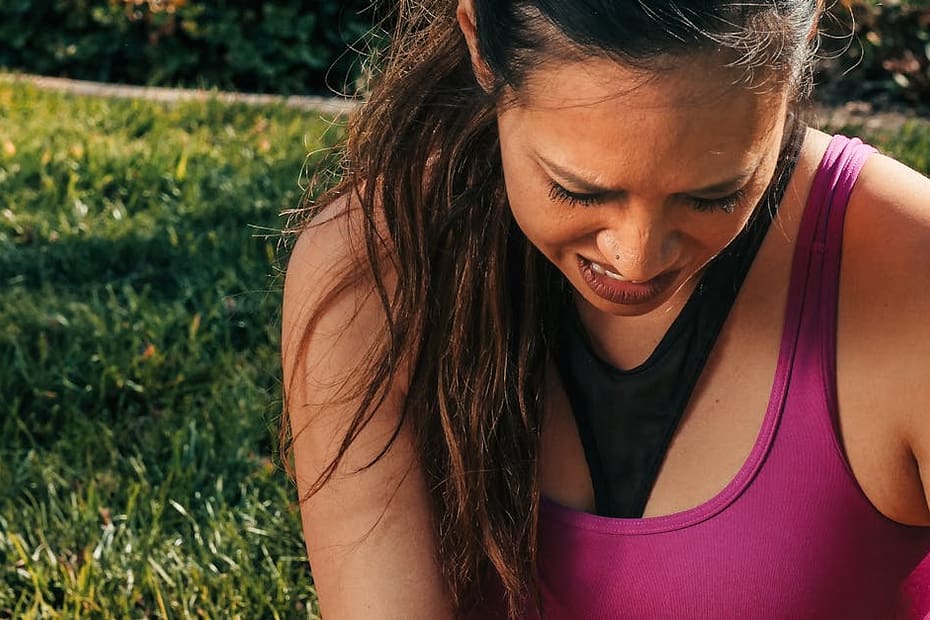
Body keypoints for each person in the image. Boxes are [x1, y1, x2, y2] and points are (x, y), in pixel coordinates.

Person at [280, 0, 930, 617]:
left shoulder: (911, 276)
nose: (637, 259)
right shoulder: (372, 274)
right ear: (479, 40)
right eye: (576, 190)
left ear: (806, 39)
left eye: (713, 196)